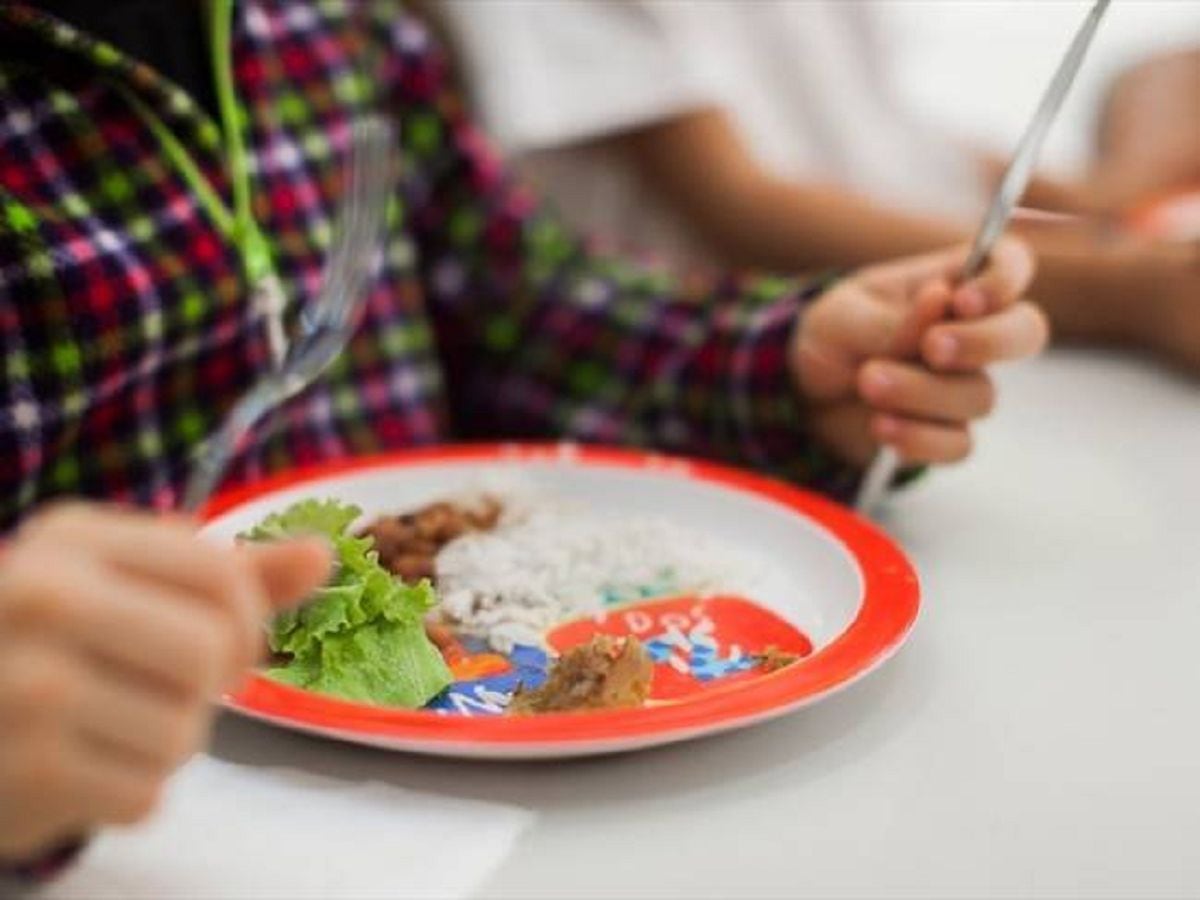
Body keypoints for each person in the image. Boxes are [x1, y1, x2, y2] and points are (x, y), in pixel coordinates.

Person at [0, 0, 1047, 874]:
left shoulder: (326, 21)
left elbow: (518, 304)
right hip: (144, 840)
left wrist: (779, 371)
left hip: (537, 818)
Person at [430, 0, 1200, 373]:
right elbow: (742, 207)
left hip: (975, 293)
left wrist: (1101, 198)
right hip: (753, 350)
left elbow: (880, 131)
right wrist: (1123, 286)